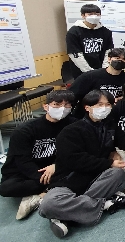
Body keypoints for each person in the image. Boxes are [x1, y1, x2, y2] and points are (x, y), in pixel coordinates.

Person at [38, 90, 125, 238]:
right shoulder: (71, 131)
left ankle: (66, 216)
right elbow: (76, 160)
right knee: (48, 205)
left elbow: (121, 140)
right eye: (99, 105)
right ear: (87, 107)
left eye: (108, 105)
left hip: (96, 179)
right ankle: (106, 204)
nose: (104, 108)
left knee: (118, 173)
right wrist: (109, 163)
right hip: (69, 181)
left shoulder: (109, 125)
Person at [0, 90, 77, 220]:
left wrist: (56, 166)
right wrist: (43, 179)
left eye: (67, 105)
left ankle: (38, 196)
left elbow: (76, 151)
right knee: (6, 188)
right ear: (46, 107)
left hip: (54, 166)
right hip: (26, 170)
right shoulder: (24, 131)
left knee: (82, 168)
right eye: (57, 104)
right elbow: (23, 162)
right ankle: (48, 190)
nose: (62, 108)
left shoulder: (73, 124)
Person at [68, 48, 125, 114]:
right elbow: (72, 95)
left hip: (112, 114)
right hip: (88, 114)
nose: (120, 61)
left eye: (124, 59)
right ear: (109, 59)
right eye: (117, 58)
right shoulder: (90, 76)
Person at [66, 3, 114, 79]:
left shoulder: (106, 31)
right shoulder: (74, 32)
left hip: (101, 71)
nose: (94, 16)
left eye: (97, 14)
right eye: (90, 14)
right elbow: (75, 54)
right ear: (83, 15)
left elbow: (108, 52)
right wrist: (89, 72)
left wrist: (104, 70)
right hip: (81, 73)